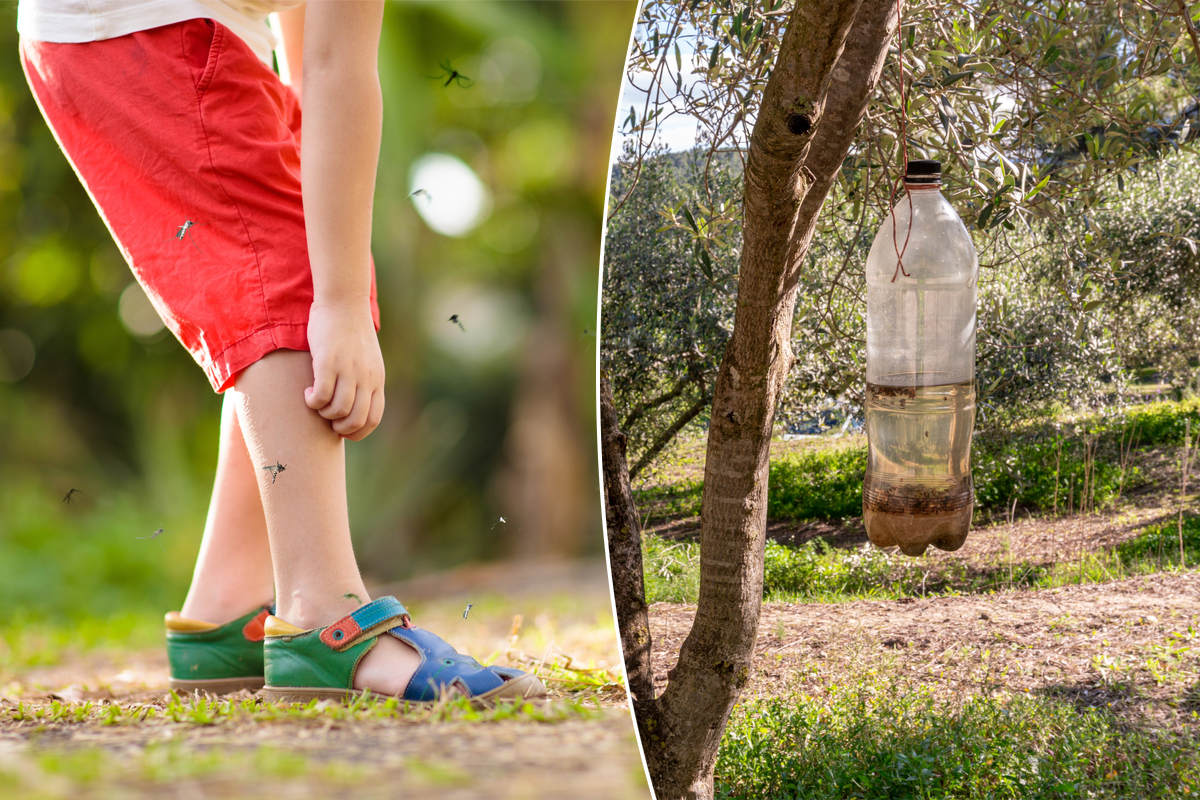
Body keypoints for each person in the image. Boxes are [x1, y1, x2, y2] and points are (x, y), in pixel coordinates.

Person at [18, 0, 543, 704]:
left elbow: (308, 55)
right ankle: (322, 611)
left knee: (314, 252)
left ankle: (226, 610)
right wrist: (330, 304)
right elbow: (335, 65)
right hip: (145, 27)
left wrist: (338, 287)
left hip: (135, 29)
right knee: (295, 278)